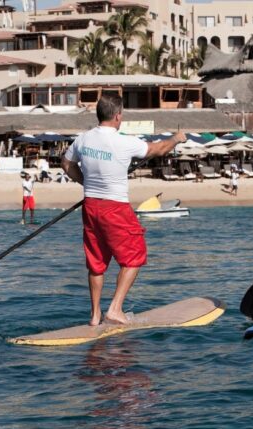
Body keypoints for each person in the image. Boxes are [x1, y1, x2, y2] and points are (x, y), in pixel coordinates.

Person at [61, 94, 186, 326]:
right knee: (135, 257)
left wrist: (86, 182)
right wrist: (177, 138)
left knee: (96, 263)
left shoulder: (83, 140)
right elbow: (159, 149)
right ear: (118, 116)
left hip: (91, 205)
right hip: (114, 207)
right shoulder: (125, 142)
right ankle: (115, 309)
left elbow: (67, 164)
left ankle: (95, 315)